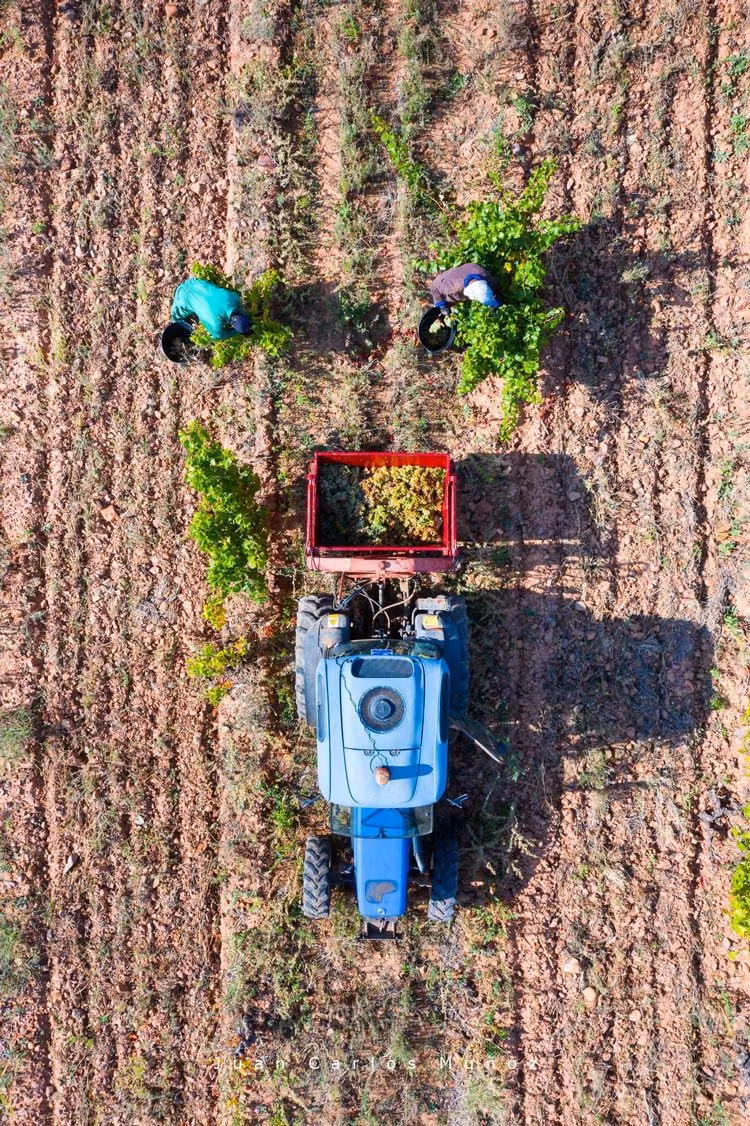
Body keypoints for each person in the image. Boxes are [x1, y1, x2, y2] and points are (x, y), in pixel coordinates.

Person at [170, 277, 252, 340]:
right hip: (183, 297)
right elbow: (218, 335)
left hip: (194, 282)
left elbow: (240, 309)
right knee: (176, 317)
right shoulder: (215, 322)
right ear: (232, 326)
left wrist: (243, 323)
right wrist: (235, 332)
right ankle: (174, 323)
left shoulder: (234, 298)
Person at [428, 262, 501, 311]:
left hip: (465, 276)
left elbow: (494, 287)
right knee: (446, 302)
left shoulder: (487, 278)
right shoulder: (450, 287)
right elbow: (434, 287)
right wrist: (441, 305)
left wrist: (494, 302)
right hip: (451, 283)